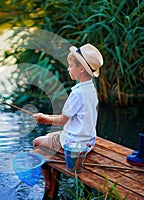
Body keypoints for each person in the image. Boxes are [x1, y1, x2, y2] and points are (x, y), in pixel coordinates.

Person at [32, 43, 103, 197]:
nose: (68, 69)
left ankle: (49, 185)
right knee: (50, 138)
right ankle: (51, 184)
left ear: (81, 69)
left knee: (37, 143)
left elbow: (62, 121)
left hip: (75, 145)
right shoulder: (91, 89)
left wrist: (43, 118)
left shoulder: (77, 94)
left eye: (71, 66)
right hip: (89, 140)